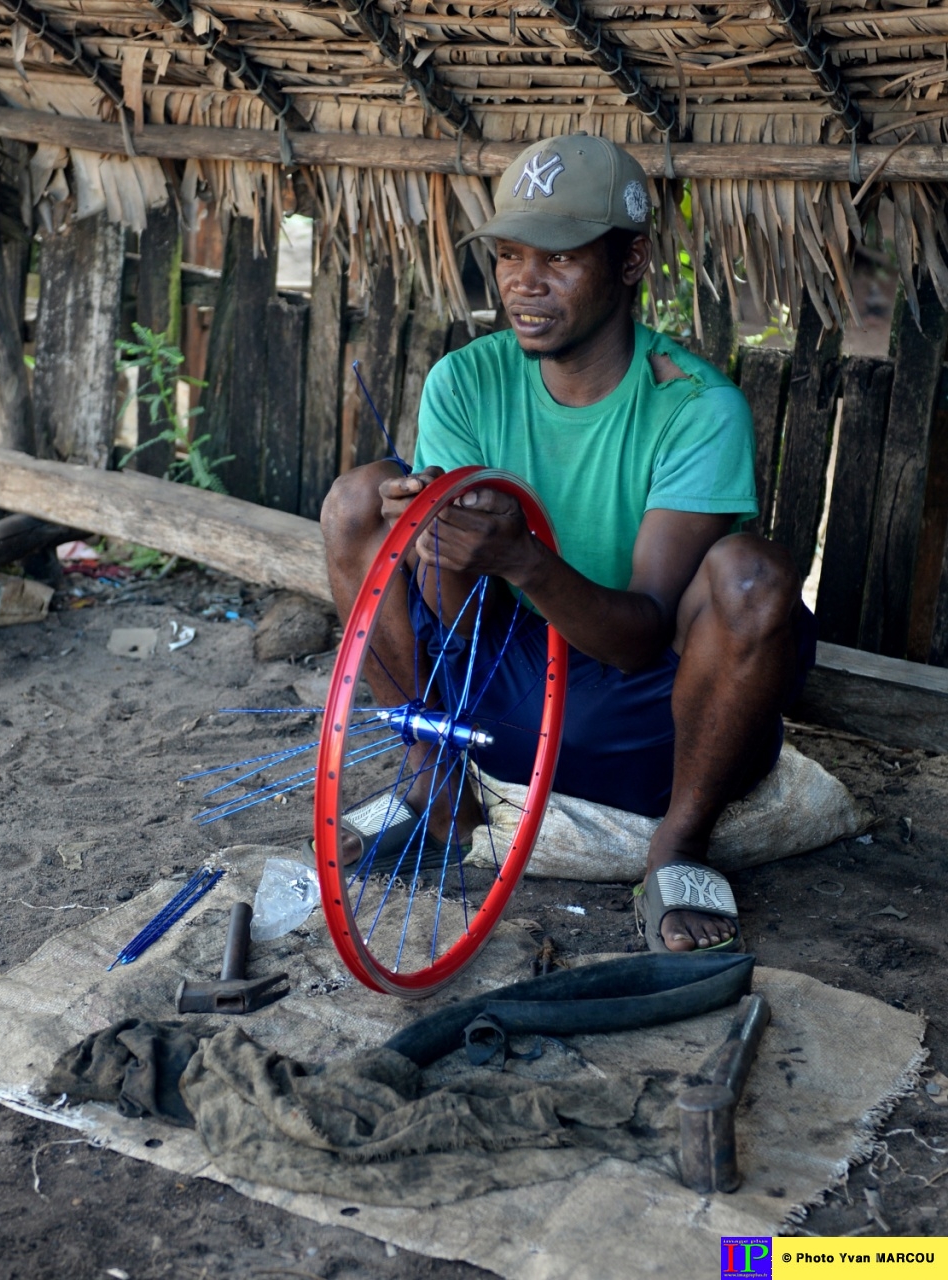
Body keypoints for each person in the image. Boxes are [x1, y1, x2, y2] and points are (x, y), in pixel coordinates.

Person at [320, 134, 816, 954]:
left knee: (754, 577)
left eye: (557, 259)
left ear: (629, 264)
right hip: (506, 676)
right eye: (510, 256)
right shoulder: (467, 379)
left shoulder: (694, 406)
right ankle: (432, 772)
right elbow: (459, 623)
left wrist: (519, 557)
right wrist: (438, 544)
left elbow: (642, 635)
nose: (524, 281)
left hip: (649, 707)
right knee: (357, 502)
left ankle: (677, 846)